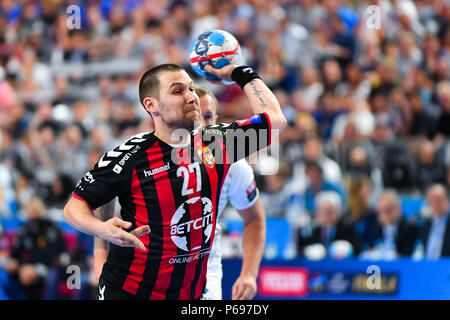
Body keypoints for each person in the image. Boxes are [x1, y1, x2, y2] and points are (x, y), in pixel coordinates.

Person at [63, 63, 286, 300]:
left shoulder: (219, 144)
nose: (191, 97)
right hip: (129, 292)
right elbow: (73, 208)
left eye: (191, 89)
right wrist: (102, 229)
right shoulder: (130, 157)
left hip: (191, 295)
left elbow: (276, 121)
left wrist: (240, 73)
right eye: (178, 91)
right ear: (152, 105)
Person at [5, 197, 67, 299]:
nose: (33, 211)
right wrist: (18, 265)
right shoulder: (24, 229)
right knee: (7, 273)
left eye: (35, 209)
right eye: (30, 209)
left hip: (49, 267)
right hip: (27, 267)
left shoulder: (51, 228)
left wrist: (35, 269)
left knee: (52, 275)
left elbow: (53, 255)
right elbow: (16, 252)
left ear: (41, 209)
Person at [297, 191, 361, 258]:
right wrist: (308, 252)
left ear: (337, 212)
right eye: (321, 212)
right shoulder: (314, 231)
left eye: (328, 212)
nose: (324, 216)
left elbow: (357, 249)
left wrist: (347, 250)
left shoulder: (348, 229)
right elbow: (301, 251)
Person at [363, 190, 419, 259]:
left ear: (398, 209)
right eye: (381, 211)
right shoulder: (375, 227)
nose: (384, 214)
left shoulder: (410, 228)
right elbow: (370, 249)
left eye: (388, 210)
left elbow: (407, 255)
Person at [419, 184, 450, 259]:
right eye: (431, 201)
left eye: (438, 200)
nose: (435, 204)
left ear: (447, 200)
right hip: (429, 266)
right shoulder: (426, 224)